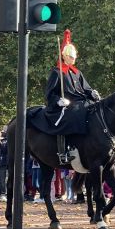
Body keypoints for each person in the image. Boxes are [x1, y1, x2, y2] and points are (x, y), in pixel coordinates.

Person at [40, 29, 101, 164]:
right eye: (71, 57)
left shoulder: (77, 72)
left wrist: (92, 93)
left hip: (81, 102)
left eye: (74, 57)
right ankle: (64, 150)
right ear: (65, 56)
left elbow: (86, 89)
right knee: (74, 113)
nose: (74, 59)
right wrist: (58, 101)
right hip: (66, 105)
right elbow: (49, 93)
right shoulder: (57, 72)